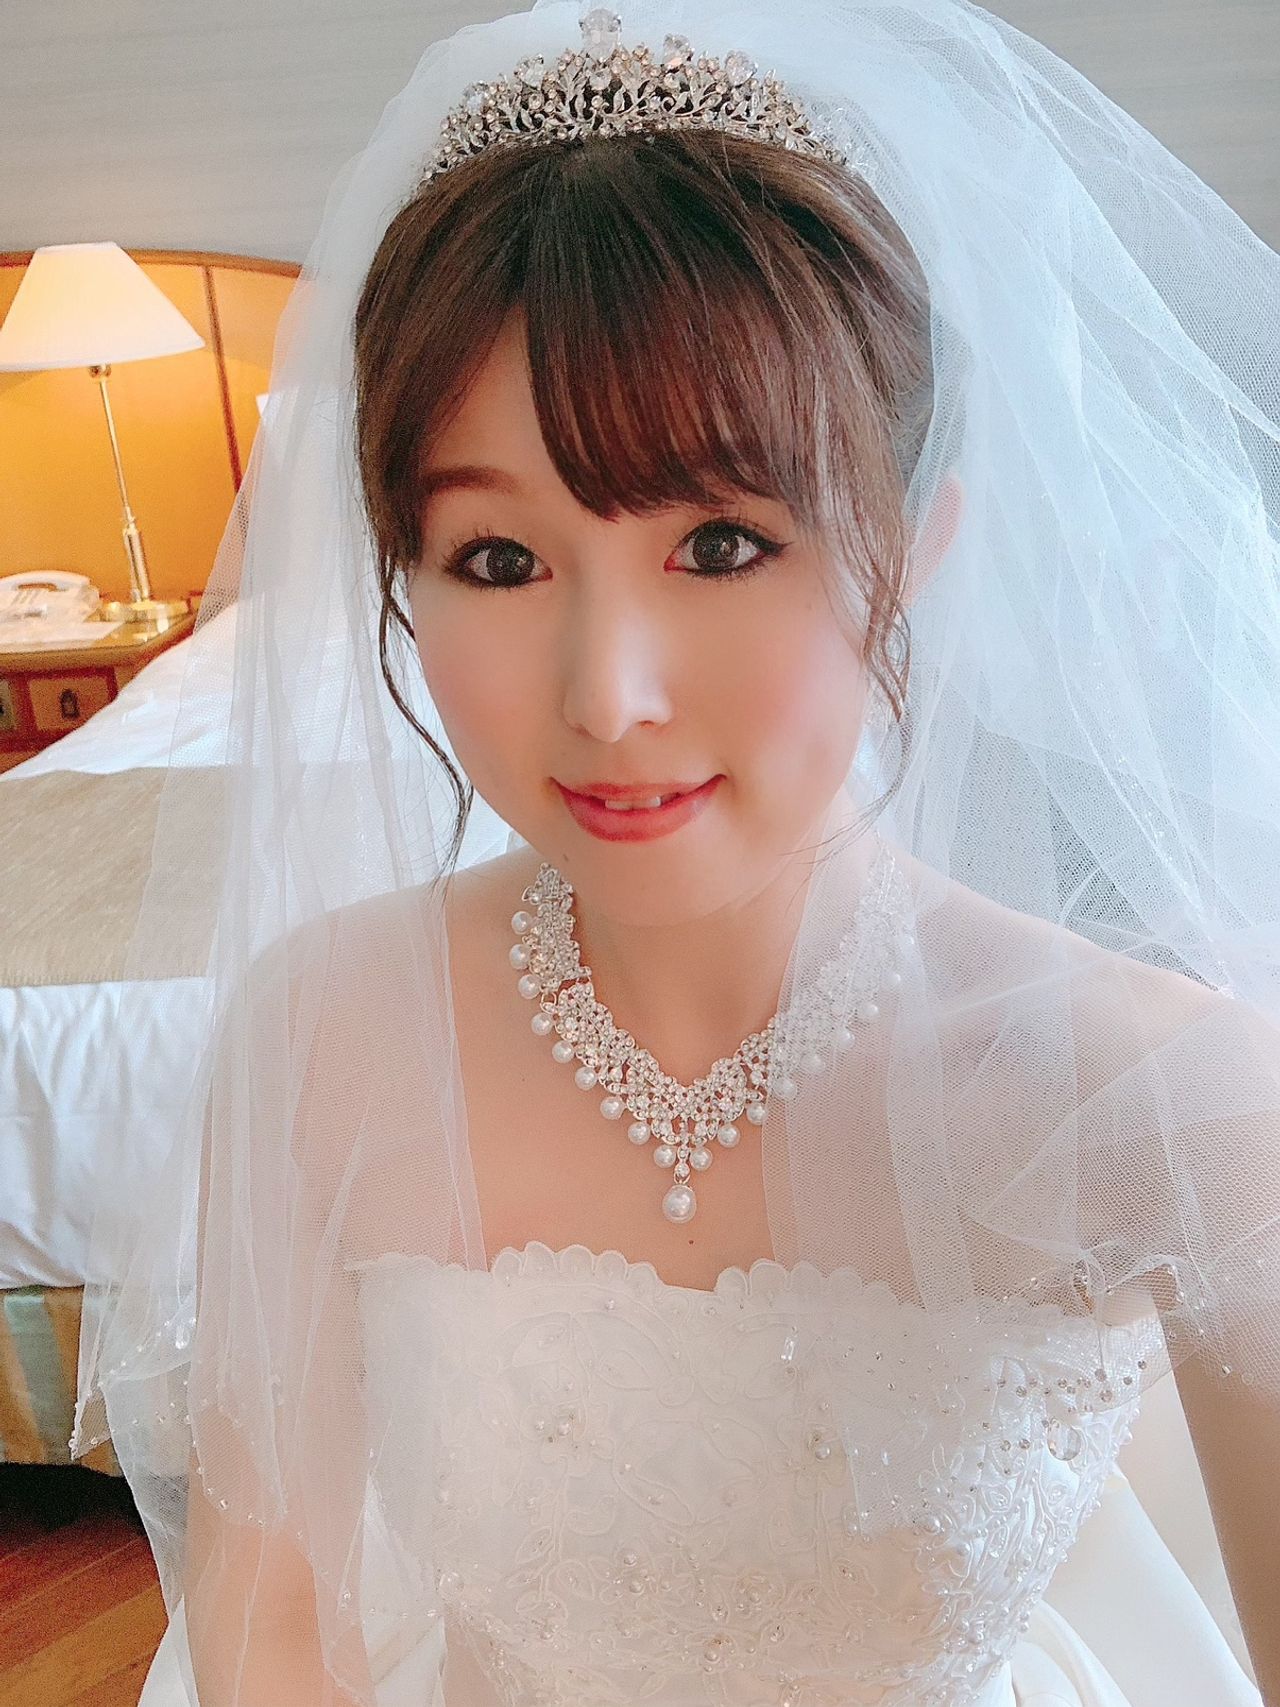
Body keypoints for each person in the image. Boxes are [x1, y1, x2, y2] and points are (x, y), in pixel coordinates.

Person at [74, 1, 1280, 1702]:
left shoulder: (1170, 1097)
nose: (609, 697)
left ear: (915, 550)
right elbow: (269, 1632)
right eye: (498, 560)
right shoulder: (322, 1029)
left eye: (720, 542)